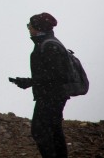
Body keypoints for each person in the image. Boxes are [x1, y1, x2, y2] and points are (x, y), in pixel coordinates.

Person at [10, 13, 69, 158]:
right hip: (54, 95)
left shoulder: (48, 45)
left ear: (37, 27)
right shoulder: (47, 43)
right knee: (54, 130)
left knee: (40, 131)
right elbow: (52, 75)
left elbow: (56, 75)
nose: (28, 28)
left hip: (50, 96)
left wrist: (30, 82)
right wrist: (30, 82)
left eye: (30, 25)